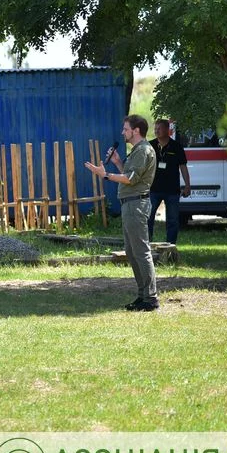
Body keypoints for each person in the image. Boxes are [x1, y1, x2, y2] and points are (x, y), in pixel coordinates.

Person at [85, 114, 159, 311]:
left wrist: (106, 175)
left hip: (136, 205)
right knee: (132, 252)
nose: (123, 132)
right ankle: (143, 295)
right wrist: (118, 162)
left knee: (141, 252)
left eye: (126, 129)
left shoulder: (143, 150)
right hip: (130, 204)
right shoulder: (137, 150)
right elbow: (129, 173)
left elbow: (131, 179)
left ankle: (151, 298)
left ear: (136, 131)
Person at [148, 118, 191, 245]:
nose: (156, 131)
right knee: (148, 218)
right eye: (155, 129)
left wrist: (187, 185)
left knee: (172, 220)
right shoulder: (150, 146)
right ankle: (146, 244)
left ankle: (170, 246)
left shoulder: (176, 147)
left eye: (159, 128)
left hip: (172, 190)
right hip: (153, 189)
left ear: (167, 130)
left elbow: (183, 167)